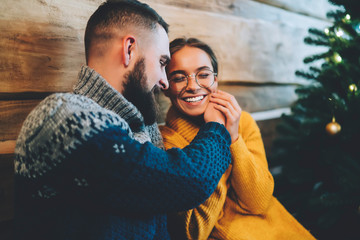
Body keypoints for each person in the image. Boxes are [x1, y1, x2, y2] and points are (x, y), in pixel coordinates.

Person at [14, 2, 233, 240]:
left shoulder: (141, 126)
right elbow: (187, 181)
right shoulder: (64, 118)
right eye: (161, 63)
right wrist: (217, 128)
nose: (164, 82)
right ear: (129, 49)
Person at [160, 37, 316, 240]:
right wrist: (215, 135)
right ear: (166, 86)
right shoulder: (166, 143)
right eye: (179, 78)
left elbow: (259, 202)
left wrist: (233, 138)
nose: (193, 86)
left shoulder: (242, 123)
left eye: (204, 74)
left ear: (215, 80)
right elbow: (193, 231)